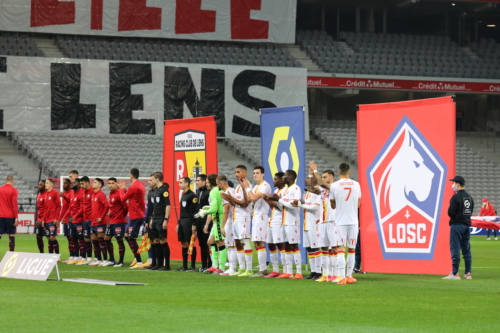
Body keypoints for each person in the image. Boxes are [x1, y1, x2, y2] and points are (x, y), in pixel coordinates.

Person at [312, 161, 361, 285]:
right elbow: (359, 203)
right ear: (349, 172)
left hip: (340, 221)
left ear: (339, 172)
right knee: (351, 249)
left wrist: (314, 171)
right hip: (353, 221)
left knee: (339, 248)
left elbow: (333, 205)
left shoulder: (335, 186)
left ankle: (342, 277)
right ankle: (350, 276)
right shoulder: (356, 184)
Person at [220, 166, 252, 276]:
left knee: (245, 242)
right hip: (235, 218)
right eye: (235, 172)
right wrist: (230, 200)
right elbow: (237, 204)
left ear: (244, 172)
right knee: (238, 243)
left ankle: (249, 269)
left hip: (243, 218)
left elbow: (245, 203)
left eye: (238, 172)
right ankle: (242, 268)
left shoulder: (247, 186)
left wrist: (231, 199)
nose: (236, 174)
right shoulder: (238, 187)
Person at [270, 169, 303, 279]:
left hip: (292, 221)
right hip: (284, 221)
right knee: (287, 246)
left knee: (294, 245)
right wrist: (274, 201)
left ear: (289, 177)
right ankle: (288, 272)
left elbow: (294, 205)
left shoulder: (296, 188)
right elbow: (282, 207)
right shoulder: (285, 190)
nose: (282, 177)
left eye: (284, 176)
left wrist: (279, 200)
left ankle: (299, 272)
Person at [242, 166, 272, 277]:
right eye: (254, 173)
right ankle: (262, 268)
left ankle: (263, 270)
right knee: (256, 243)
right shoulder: (255, 187)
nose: (255, 175)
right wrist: (246, 188)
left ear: (263, 174)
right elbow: (249, 200)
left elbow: (254, 198)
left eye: (257, 173)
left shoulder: (265, 186)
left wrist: (248, 188)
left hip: (262, 217)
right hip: (255, 217)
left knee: (260, 242)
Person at [443, 176, 474, 280]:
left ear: (458, 184)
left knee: (455, 248)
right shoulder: (469, 197)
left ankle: (455, 273)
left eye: (454, 183)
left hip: (457, 225)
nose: (453, 185)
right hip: (466, 225)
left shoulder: (455, 197)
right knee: (466, 249)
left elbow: (450, 213)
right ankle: (468, 273)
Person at [310, 169, 337, 282]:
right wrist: (310, 174)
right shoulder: (322, 189)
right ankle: (325, 274)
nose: (323, 179)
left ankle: (335, 274)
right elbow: (311, 187)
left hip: (333, 221)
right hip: (323, 221)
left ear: (331, 177)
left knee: (334, 248)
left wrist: (315, 170)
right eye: (322, 177)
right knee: (324, 248)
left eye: (325, 177)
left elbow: (320, 183)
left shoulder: (335, 187)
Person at [294, 175, 322, 280]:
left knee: (315, 247)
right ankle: (313, 271)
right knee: (309, 248)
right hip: (306, 224)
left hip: (314, 224)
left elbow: (315, 207)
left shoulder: (318, 193)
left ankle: (319, 272)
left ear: (314, 181)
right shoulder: (307, 194)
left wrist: (300, 205)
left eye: (308, 178)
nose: (305, 180)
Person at [198, 173, 227, 274]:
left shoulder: (213, 192)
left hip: (219, 218)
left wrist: (205, 212)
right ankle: (215, 265)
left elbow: (215, 208)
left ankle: (221, 267)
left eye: (206, 182)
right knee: (210, 242)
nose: (206, 184)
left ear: (210, 182)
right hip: (216, 219)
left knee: (220, 242)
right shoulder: (216, 191)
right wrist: (207, 208)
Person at [118, 168, 146, 268]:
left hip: (135, 216)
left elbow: (123, 199)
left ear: (131, 176)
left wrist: (121, 190)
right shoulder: (140, 186)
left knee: (131, 238)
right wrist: (125, 189)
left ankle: (139, 262)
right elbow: (132, 195)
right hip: (138, 214)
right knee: (126, 235)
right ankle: (136, 258)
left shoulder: (134, 186)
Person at [263, 172, 287, 278]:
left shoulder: (285, 191)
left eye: (275, 179)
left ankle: (286, 270)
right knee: (270, 244)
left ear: (282, 180)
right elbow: (273, 206)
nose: (273, 181)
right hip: (271, 220)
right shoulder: (276, 191)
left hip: (279, 221)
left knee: (280, 244)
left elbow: (281, 207)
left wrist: (269, 200)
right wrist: (268, 200)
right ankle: (275, 269)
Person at [104, 177, 128, 267]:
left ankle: (121, 262)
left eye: (112, 183)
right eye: (109, 183)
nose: (110, 185)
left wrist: (123, 216)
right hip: (111, 221)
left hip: (119, 221)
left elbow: (125, 207)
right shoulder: (111, 194)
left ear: (116, 184)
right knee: (106, 239)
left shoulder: (118, 194)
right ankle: (112, 260)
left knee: (119, 240)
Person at [176, 177, 197, 271]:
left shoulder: (192, 196)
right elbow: (182, 210)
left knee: (190, 243)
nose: (179, 184)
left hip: (189, 221)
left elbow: (195, 211)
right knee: (183, 243)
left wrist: (193, 224)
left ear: (187, 184)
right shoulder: (184, 195)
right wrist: (179, 223)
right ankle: (184, 266)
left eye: (181, 182)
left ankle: (192, 266)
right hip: (182, 221)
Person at [218, 175, 237, 276]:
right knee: (231, 244)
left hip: (230, 220)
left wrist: (222, 226)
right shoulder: (232, 191)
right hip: (235, 219)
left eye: (218, 184)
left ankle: (232, 268)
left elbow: (226, 211)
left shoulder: (227, 193)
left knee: (230, 245)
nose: (218, 186)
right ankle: (232, 267)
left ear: (221, 183)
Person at [89, 178, 109, 266]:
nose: (93, 183)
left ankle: (105, 260)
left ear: (100, 185)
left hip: (100, 222)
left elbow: (107, 206)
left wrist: (101, 217)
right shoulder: (93, 195)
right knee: (94, 241)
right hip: (93, 222)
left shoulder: (101, 194)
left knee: (101, 241)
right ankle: (98, 259)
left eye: (95, 182)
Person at [195, 174, 212, 271]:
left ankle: (210, 264)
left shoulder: (209, 192)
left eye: (198, 180)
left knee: (207, 243)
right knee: (201, 244)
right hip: (198, 220)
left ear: (204, 181)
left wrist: (206, 222)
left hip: (206, 221)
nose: (196, 182)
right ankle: (203, 265)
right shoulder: (197, 192)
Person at [77, 176, 95, 265]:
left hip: (91, 219)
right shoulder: (83, 192)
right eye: (80, 184)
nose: (81, 185)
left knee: (94, 239)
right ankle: (89, 258)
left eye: (82, 183)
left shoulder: (92, 191)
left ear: (87, 182)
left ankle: (97, 258)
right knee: (86, 239)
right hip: (85, 219)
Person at [68, 178, 85, 265]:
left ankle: (83, 257)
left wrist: (74, 217)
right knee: (73, 239)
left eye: (74, 182)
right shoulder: (72, 193)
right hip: (72, 220)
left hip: (79, 220)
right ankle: (75, 257)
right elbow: (71, 207)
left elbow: (82, 208)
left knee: (81, 239)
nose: (72, 183)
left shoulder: (81, 193)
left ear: (78, 184)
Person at [0, 175, 19, 251]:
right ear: (13, 181)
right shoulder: (14, 190)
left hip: (0, 215)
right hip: (10, 216)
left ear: (5, 180)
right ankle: (11, 253)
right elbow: (14, 204)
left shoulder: (0, 189)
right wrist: (16, 217)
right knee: (11, 234)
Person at [59, 178, 75, 263]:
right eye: (63, 184)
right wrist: (59, 218)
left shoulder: (72, 193)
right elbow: (64, 208)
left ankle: (74, 256)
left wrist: (64, 197)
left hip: (70, 218)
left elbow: (71, 205)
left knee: (72, 238)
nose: (63, 185)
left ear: (70, 185)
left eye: (65, 184)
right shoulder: (65, 194)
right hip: (66, 219)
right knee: (69, 238)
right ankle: (71, 256)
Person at [43, 179, 61, 255]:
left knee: (52, 237)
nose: (45, 184)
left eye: (47, 183)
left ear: (51, 184)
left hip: (52, 219)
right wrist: (43, 219)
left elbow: (59, 206)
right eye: (45, 183)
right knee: (48, 238)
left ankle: (57, 256)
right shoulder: (45, 194)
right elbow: (45, 208)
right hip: (46, 219)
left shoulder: (55, 193)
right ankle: (50, 255)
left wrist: (56, 218)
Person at [35, 180, 46, 253]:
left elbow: (47, 209)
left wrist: (43, 219)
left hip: (46, 219)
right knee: (38, 237)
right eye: (39, 184)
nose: (39, 186)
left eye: (41, 185)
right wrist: (38, 219)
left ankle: (55, 255)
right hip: (39, 219)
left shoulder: (47, 195)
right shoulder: (38, 195)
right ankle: (41, 253)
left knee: (50, 237)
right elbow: (38, 209)